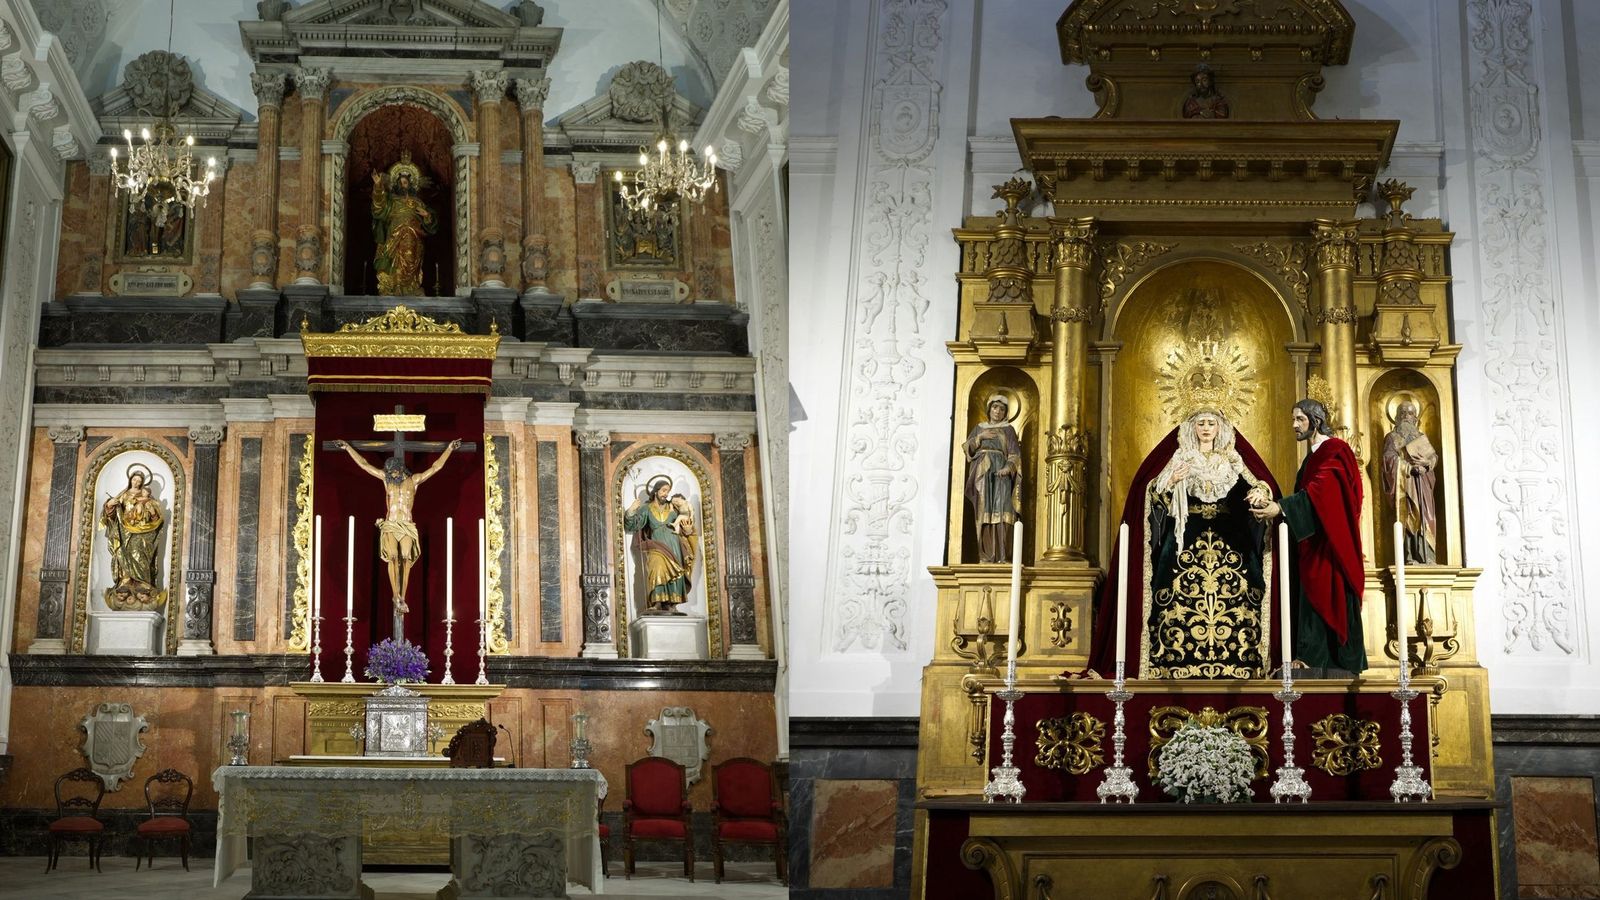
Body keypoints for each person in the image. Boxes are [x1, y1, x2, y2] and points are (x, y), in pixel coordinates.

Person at [1086, 410, 1282, 678]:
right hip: (1184, 538)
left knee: (1250, 585)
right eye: (1200, 423)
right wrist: (1172, 481)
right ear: (1192, 427)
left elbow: (1257, 483)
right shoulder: (1180, 457)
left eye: (1211, 423)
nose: (1206, 428)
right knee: (1167, 587)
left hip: (1230, 538)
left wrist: (1260, 492)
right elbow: (1152, 495)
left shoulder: (1232, 458)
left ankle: (1244, 662)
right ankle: (1169, 663)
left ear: (1220, 428)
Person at [1251, 399, 1367, 675]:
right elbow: (1308, 495)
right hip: (1311, 544)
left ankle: (1327, 663)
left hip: (1331, 547)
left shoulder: (1336, 450)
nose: (1294, 425)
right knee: (1309, 598)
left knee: (1327, 596)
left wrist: (1280, 508)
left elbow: (1324, 489)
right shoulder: (1312, 457)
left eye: (1300, 419)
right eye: (1293, 419)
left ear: (1316, 420)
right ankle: (1309, 659)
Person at [335, 439, 461, 634]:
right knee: (392, 557)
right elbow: (365, 465)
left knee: (406, 558)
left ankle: (402, 594)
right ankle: (396, 596)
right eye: (389, 472)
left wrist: (450, 449)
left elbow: (436, 467)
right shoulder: (387, 481)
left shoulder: (414, 481)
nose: (391, 474)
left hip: (407, 526)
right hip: (391, 524)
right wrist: (348, 448)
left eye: (393, 471)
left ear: (399, 469)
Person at [963, 395, 1023, 563]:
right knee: (984, 513)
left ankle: (1003, 555)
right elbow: (968, 448)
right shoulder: (979, 428)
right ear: (989, 409)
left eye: (1002, 409)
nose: (998, 411)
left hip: (1001, 475)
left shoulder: (1008, 429)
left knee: (1004, 511)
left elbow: (1015, 453)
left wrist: (1007, 468)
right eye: (995, 407)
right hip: (982, 474)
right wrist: (980, 438)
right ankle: (986, 556)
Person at [625, 477, 697, 613]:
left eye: (668, 491)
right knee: (656, 566)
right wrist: (631, 511)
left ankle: (673, 605)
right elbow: (633, 525)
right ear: (656, 491)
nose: (666, 494)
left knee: (677, 572)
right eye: (663, 490)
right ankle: (657, 602)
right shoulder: (646, 508)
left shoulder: (673, 507)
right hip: (656, 545)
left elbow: (686, 522)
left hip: (674, 544)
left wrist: (688, 530)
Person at [100, 464, 166, 610]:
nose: (136, 482)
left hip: (143, 532)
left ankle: (144, 583)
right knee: (123, 553)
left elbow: (156, 516)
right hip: (125, 531)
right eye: (134, 479)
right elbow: (112, 515)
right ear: (130, 480)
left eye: (139, 480)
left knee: (140, 552)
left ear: (142, 483)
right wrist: (110, 505)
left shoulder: (148, 498)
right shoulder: (123, 495)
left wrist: (150, 512)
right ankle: (125, 580)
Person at [372, 152, 438, 296]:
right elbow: (379, 207)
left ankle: (411, 286)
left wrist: (427, 216)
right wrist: (378, 187)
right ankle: (394, 285)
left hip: (414, 235)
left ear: (411, 184)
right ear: (396, 184)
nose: (404, 185)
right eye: (401, 183)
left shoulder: (418, 202)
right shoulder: (392, 201)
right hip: (394, 233)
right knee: (394, 260)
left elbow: (430, 223)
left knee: (411, 258)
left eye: (406, 182)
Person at [1381, 400, 1438, 564]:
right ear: (1397, 418)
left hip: (1423, 483)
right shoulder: (1392, 438)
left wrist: (1427, 465)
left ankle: (1428, 555)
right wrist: (1407, 468)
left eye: (1410, 413)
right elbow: (1388, 460)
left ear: (1415, 418)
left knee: (1427, 517)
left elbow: (1433, 457)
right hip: (1405, 485)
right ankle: (1411, 556)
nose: (1406, 416)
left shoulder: (1421, 437)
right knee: (1409, 517)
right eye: (1402, 413)